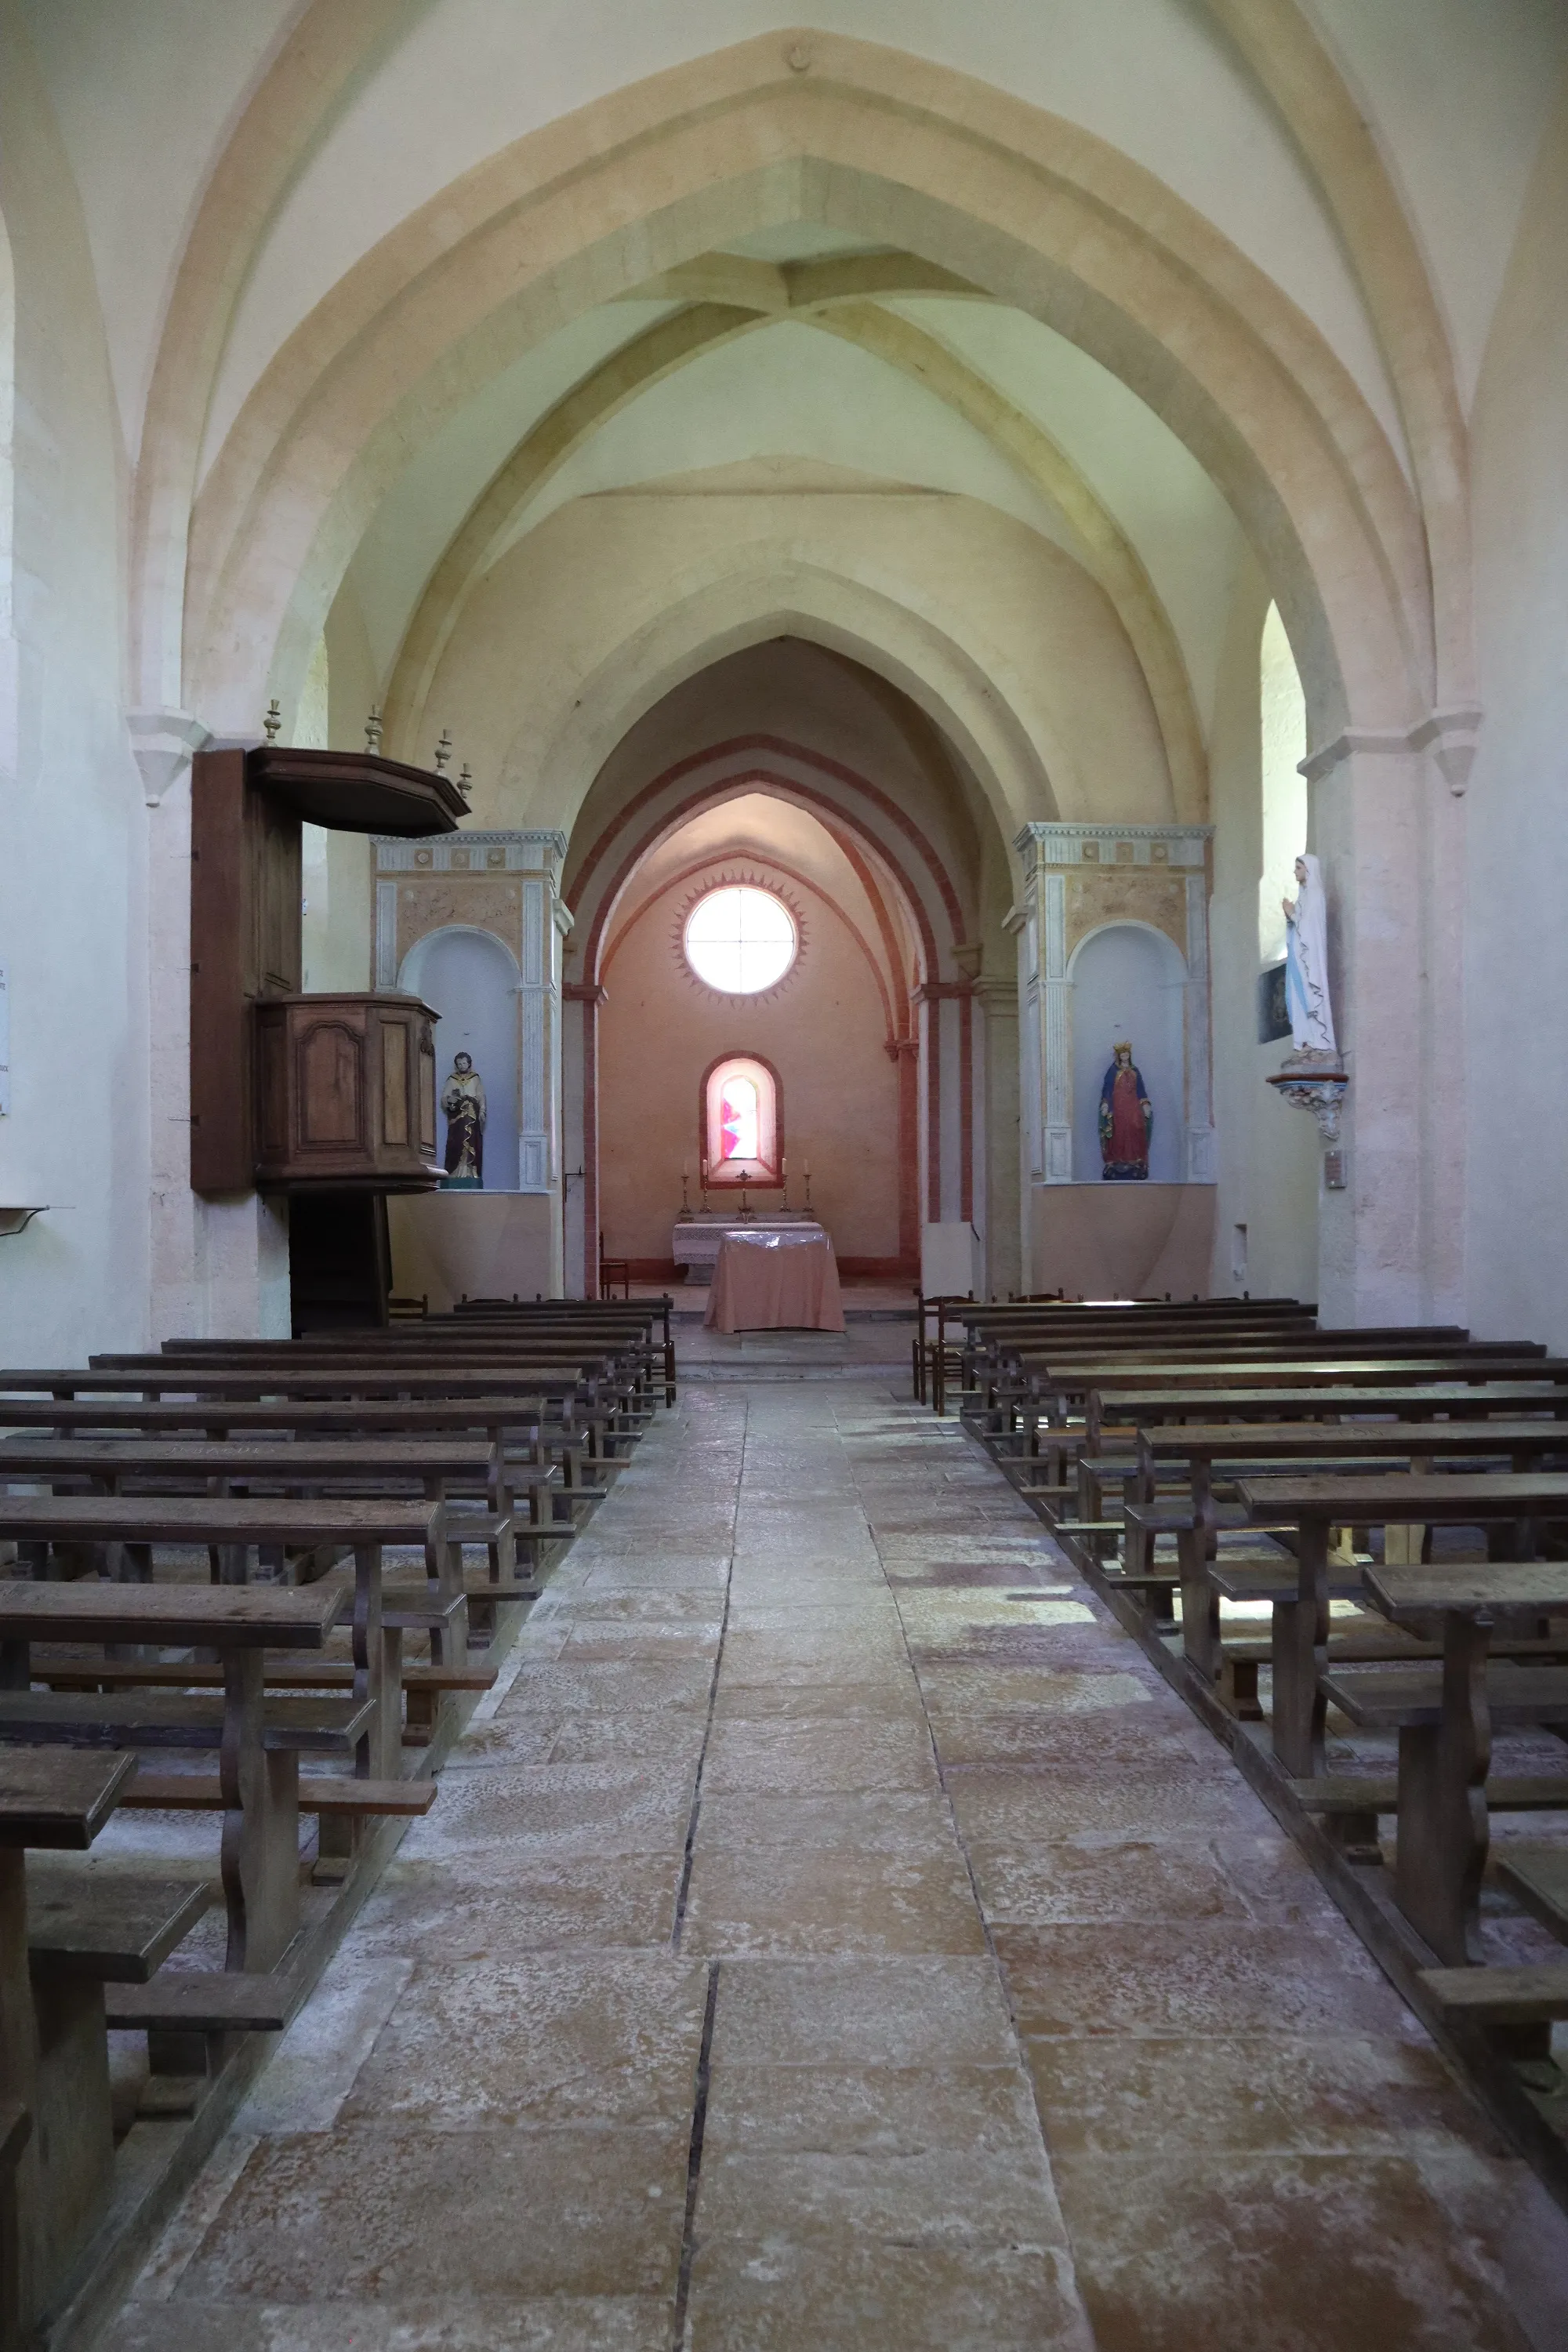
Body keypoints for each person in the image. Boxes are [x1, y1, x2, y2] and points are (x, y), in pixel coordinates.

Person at [1282, 851, 1338, 1058]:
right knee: (1298, 997)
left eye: (1298, 867)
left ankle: (1319, 1041)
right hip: (1298, 957)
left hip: (1309, 959)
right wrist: (1289, 917)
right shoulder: (1304, 896)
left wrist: (1292, 913)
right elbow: (1297, 926)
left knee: (1310, 994)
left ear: (1309, 869)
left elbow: (1308, 927)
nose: (1295, 872)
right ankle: (1304, 1039)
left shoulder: (1316, 894)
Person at [1100, 1041, 1152, 1180]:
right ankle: (1117, 1160)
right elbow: (1107, 1089)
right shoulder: (1113, 1071)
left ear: (1129, 1055)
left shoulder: (1135, 1071)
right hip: (1117, 1107)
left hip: (1133, 1106)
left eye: (1126, 1054)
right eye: (1122, 1054)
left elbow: (1141, 1090)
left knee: (1136, 1127)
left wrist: (1145, 1104)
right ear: (1118, 1056)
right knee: (1118, 1131)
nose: (1124, 1056)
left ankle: (1136, 1160)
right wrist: (1105, 1104)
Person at [441, 1051, 486, 1186]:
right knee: (457, 1142)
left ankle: (470, 1171)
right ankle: (455, 1172)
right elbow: (444, 1098)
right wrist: (450, 1099)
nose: (462, 1066)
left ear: (469, 1064)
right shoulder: (452, 1079)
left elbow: (481, 1096)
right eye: (459, 1064)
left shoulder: (475, 1078)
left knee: (471, 1141)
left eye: (464, 1063)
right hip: (457, 1117)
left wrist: (482, 1111)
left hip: (472, 1114)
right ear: (456, 1066)